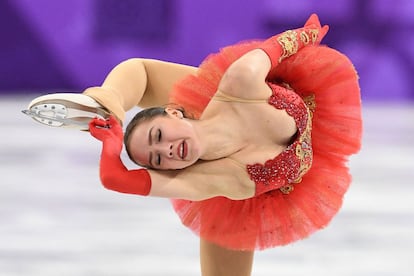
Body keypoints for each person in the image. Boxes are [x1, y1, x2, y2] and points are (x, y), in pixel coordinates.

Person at [24, 14, 362, 276]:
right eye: (157, 160)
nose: (166, 151)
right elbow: (116, 179)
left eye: (159, 140)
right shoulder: (209, 182)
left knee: (143, 78)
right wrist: (110, 142)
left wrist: (308, 35)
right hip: (233, 180)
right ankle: (112, 111)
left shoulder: (238, 82)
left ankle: (107, 100)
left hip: (238, 104)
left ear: (175, 112)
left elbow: (278, 47)